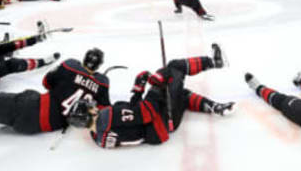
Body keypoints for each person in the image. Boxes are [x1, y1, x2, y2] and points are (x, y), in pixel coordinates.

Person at [70, 44, 234, 148]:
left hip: (161, 129)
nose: (93, 106)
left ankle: (216, 107)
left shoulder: (98, 137)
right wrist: (156, 86)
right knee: (173, 67)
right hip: (162, 119)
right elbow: (145, 113)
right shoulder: (107, 116)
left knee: (182, 96)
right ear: (89, 115)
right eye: (90, 107)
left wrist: (138, 89)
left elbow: (132, 117)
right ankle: (214, 62)